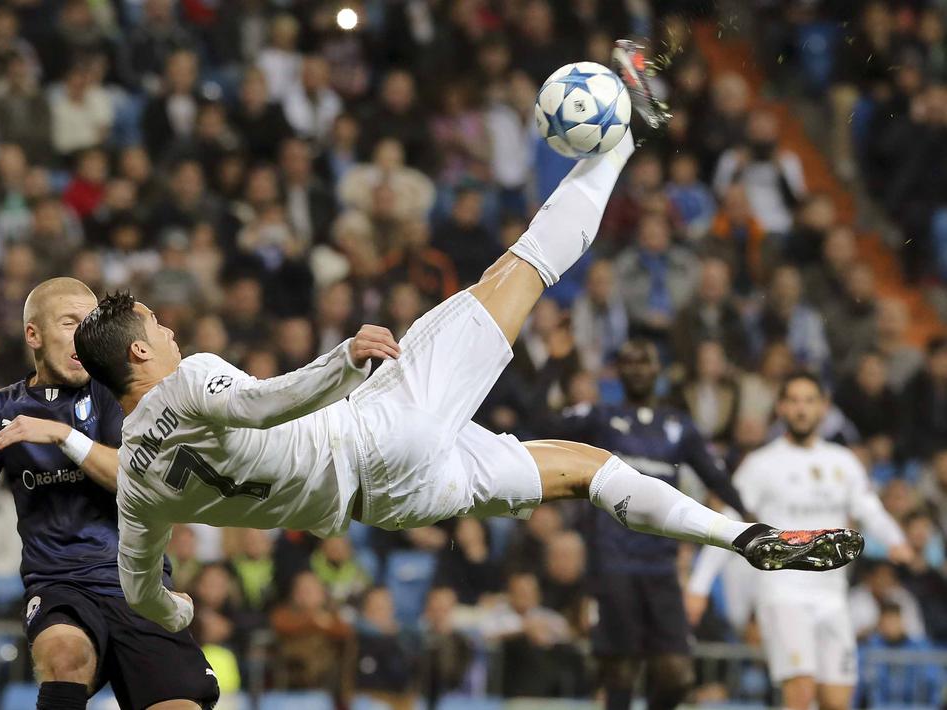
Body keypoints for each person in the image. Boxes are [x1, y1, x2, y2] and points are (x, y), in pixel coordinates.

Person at [72, 43, 863, 635]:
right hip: (378, 430)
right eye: (159, 328)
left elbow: (142, 589)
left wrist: (175, 614)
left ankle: (746, 537)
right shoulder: (187, 383)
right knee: (518, 269)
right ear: (139, 354)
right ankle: (625, 133)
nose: (170, 330)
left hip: (387, 501)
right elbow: (258, 402)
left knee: (582, 472)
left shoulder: (138, 490)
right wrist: (341, 362)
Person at [0, 278, 217, 710]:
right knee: (64, 655)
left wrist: (62, 436)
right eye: (70, 323)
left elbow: (134, 478)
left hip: (138, 583)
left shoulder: (117, 392)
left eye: (90, 323)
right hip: (59, 582)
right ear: (33, 335)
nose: (84, 335)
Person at [687, 372, 913, 710]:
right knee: (800, 693)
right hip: (783, 592)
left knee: (837, 701)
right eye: (793, 401)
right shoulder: (761, 464)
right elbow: (731, 525)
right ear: (780, 408)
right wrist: (698, 586)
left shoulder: (843, 462)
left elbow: (869, 508)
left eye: (809, 401)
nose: (801, 409)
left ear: (823, 407)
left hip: (832, 595)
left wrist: (896, 540)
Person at [558, 338, 750, 710]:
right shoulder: (599, 418)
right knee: (620, 676)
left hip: (660, 566)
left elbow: (717, 479)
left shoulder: (678, 426)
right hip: (613, 562)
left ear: (658, 370)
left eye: (644, 361)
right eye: (628, 361)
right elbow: (543, 426)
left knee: (678, 676)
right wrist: (557, 362)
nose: (637, 368)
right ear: (618, 371)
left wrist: (755, 524)